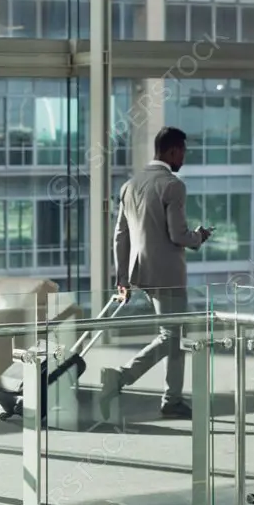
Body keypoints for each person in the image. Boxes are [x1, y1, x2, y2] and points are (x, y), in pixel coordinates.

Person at [100, 126, 214, 420]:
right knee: (171, 336)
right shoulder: (172, 185)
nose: (184, 158)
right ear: (172, 151)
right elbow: (177, 235)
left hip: (141, 273)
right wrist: (199, 237)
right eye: (183, 152)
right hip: (168, 275)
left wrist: (122, 277)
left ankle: (171, 398)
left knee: (173, 336)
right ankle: (122, 378)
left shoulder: (130, 185)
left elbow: (120, 236)